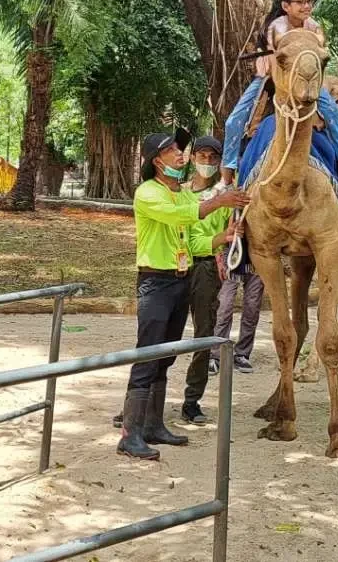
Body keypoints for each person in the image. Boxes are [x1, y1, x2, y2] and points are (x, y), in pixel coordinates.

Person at [116, 128, 248, 461]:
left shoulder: (183, 194)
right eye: (172, 150)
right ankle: (130, 433)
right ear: (156, 160)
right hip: (155, 282)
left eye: (180, 149)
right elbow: (182, 215)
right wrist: (218, 200)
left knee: (165, 355)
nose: (180, 154)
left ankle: (153, 425)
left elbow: (192, 241)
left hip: (179, 279)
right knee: (147, 356)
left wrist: (222, 238)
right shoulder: (148, 193)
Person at [214, 0, 338, 198]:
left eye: (309, 2)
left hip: (306, 79)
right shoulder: (276, 27)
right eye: (300, 2)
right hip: (275, 78)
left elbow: (318, 56)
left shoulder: (314, 28)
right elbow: (274, 59)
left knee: (332, 113)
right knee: (234, 120)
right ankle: (226, 177)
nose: (306, 6)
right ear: (286, 5)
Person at [179, 136, 232, 425]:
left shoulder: (224, 196)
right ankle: (140, 400)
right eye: (202, 156)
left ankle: (192, 401)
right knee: (158, 336)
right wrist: (216, 239)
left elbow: (228, 234)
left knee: (204, 335)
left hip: (207, 270)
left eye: (213, 158)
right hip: (172, 267)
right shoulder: (178, 192)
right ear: (191, 158)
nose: (207, 162)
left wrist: (220, 242)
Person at [208, 258, 263, 376]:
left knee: (252, 309)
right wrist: (218, 259)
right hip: (232, 258)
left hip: (258, 260)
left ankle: (242, 354)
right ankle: (215, 354)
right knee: (224, 308)